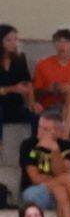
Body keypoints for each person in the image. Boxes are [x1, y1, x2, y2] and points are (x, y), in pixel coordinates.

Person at [21, 106, 70, 217]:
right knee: (68, 179)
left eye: (46, 129)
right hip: (34, 192)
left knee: (61, 191)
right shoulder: (28, 145)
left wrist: (55, 150)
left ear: (58, 132)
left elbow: (60, 172)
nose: (40, 132)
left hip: (57, 193)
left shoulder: (68, 147)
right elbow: (35, 178)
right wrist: (69, 176)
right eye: (40, 127)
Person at [0, 25, 35, 153]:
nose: (13, 43)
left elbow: (27, 83)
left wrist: (32, 103)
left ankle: (36, 146)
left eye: (15, 39)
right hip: (1, 104)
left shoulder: (20, 58)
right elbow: (14, 88)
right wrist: (12, 89)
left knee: (37, 114)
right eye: (9, 40)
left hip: (16, 104)